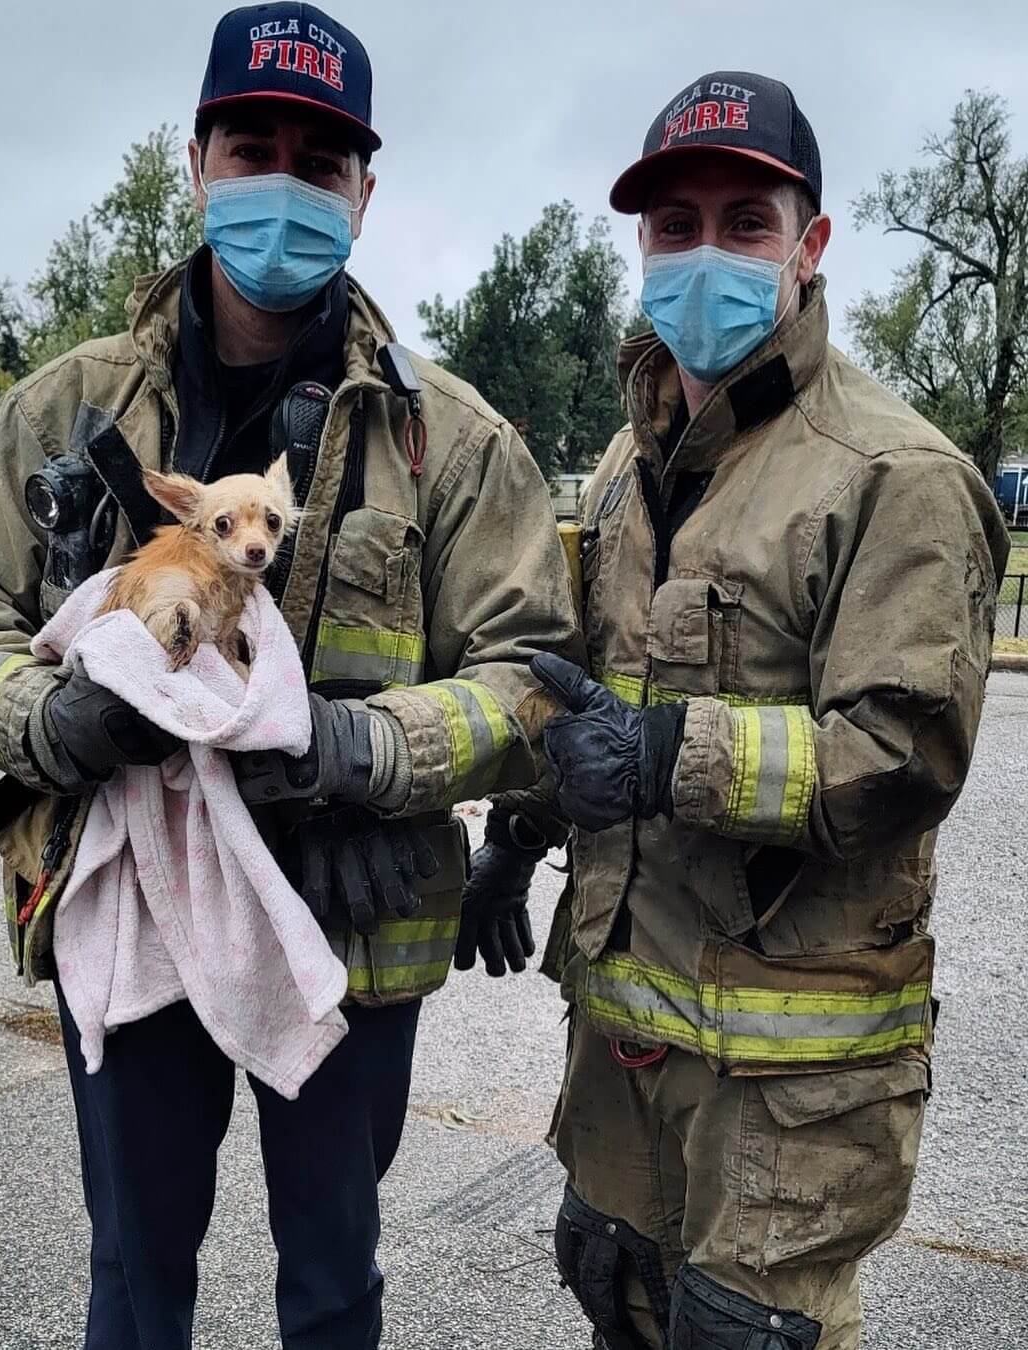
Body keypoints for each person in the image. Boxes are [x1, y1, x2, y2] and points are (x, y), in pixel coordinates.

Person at [0, 6, 580, 1347]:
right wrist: (47, 717)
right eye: (252, 144)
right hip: (127, 910)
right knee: (133, 1277)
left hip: (350, 928)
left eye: (318, 155)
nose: (283, 179)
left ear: (365, 186)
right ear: (196, 163)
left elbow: (535, 678)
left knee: (336, 1285)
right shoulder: (67, 413)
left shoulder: (454, 444)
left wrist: (367, 750)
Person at [466, 71, 1009, 1349]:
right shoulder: (625, 465)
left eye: (743, 221)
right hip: (624, 1041)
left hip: (792, 1088)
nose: (703, 252)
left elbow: (902, 755)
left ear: (810, 244)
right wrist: (518, 834)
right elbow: (582, 691)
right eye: (674, 225)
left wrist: (668, 755)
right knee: (620, 1300)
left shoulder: (899, 476)